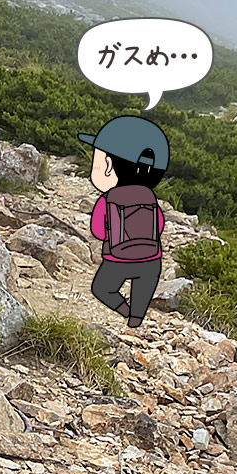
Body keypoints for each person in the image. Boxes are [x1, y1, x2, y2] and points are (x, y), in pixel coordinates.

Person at [81, 116, 169, 328]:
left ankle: (124, 310)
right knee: (143, 289)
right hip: (151, 259)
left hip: (118, 258)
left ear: (109, 165)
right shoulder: (149, 196)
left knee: (101, 288)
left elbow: (98, 231)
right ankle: (136, 318)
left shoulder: (107, 198)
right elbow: (159, 225)